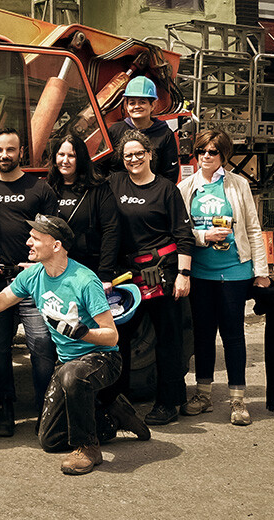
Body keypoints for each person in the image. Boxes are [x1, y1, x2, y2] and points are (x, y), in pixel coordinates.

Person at [0, 215, 145, 475]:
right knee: (50, 440)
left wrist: (81, 333)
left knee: (72, 375)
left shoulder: (84, 280)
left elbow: (112, 337)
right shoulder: (32, 275)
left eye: (35, 238)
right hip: (67, 363)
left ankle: (88, 448)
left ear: (56, 246)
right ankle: (111, 412)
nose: (27, 242)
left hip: (103, 358)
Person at [177, 129, 272, 426]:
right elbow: (180, 232)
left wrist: (262, 272)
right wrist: (204, 236)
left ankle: (237, 399)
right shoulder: (186, 187)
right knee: (203, 334)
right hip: (201, 272)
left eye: (213, 151)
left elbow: (254, 229)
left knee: (233, 334)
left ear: (224, 156)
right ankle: (203, 395)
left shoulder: (238, 184)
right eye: (201, 150)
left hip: (234, 271)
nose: (206, 156)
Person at [0, 128, 59, 435]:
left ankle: (45, 412)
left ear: (21, 152)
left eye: (10, 149)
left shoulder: (40, 190)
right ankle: (4, 410)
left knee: (42, 347)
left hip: (33, 282)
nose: (4, 155)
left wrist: (36, 262)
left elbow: (54, 235)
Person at [106, 130, 194, 426]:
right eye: (128, 155)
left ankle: (169, 403)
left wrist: (183, 274)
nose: (133, 159)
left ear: (150, 155)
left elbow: (184, 235)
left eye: (138, 154)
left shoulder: (167, 189)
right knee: (119, 340)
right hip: (126, 277)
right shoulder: (114, 182)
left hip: (162, 274)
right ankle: (117, 405)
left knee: (167, 340)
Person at [46, 132, 120, 281]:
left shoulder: (98, 189)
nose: (65, 160)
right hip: (55, 270)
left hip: (90, 270)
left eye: (71, 156)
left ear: (81, 158)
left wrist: (105, 274)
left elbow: (111, 231)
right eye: (61, 154)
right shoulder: (47, 189)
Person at [107, 76, 180, 183]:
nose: (137, 106)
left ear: (153, 105)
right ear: (126, 106)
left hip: (152, 193)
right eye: (132, 103)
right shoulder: (115, 131)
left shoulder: (164, 134)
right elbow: (103, 167)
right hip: (118, 192)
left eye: (142, 102)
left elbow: (170, 173)